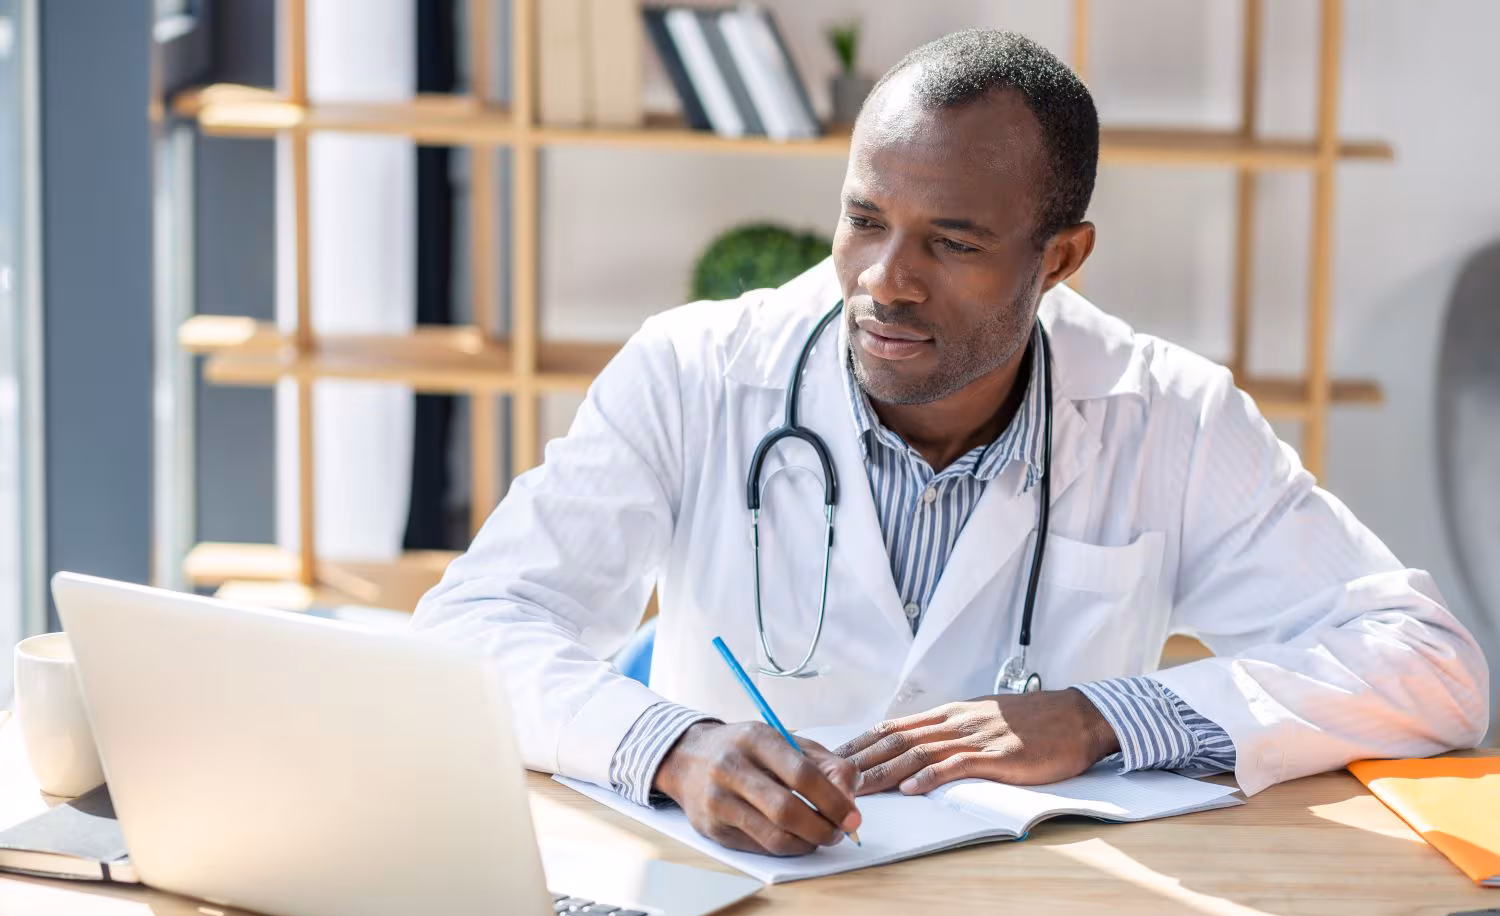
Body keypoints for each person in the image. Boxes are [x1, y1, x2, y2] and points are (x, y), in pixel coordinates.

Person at [412, 30, 1489, 856]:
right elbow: (471, 626)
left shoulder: (1169, 413)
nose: (886, 280)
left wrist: (1108, 717)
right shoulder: (694, 371)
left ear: (1061, 257)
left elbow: (1432, 665)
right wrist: (670, 747)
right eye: (865, 218)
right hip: (735, 897)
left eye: (954, 241)